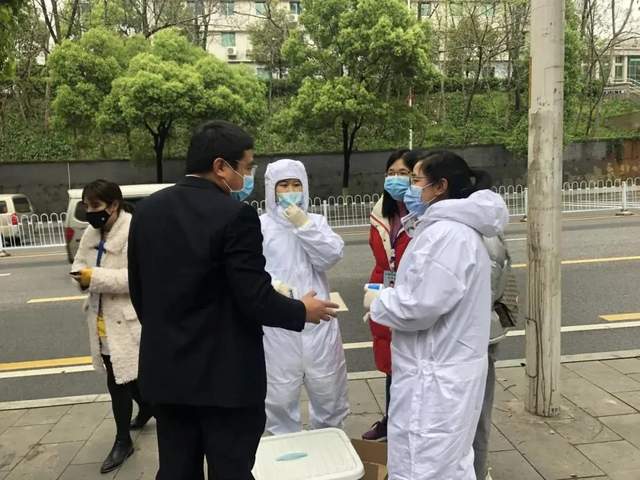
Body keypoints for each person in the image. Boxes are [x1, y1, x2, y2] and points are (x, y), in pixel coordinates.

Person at [127, 120, 339, 480]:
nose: (248, 175)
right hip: (224, 377)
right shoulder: (235, 215)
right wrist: (302, 310)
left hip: (167, 373)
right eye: (247, 166)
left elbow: (140, 291)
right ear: (221, 167)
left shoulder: (148, 210)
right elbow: (253, 296)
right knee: (231, 469)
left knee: (177, 468)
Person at [368, 150, 509, 479]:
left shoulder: (447, 234)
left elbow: (421, 306)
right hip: (440, 371)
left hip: (435, 379)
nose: (409, 187)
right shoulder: (446, 228)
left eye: (415, 180)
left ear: (440, 186)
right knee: (446, 463)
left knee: (426, 464)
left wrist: (380, 302)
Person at [260, 159, 349, 435]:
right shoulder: (260, 226)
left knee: (329, 392)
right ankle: (285, 449)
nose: (290, 191)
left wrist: (304, 225)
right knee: (279, 398)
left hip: (319, 323)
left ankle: (330, 446)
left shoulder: (316, 222)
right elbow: (249, 269)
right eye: (283, 185)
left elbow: (329, 257)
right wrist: (273, 286)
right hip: (278, 326)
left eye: (296, 184)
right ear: (271, 189)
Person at [71, 179, 152, 474]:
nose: (90, 212)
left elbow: (136, 277)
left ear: (114, 205)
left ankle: (122, 441)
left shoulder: (134, 230)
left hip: (127, 320)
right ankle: (147, 407)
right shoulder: (91, 233)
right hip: (100, 318)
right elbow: (77, 266)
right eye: (87, 206)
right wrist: (81, 277)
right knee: (123, 376)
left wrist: (93, 277)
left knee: (120, 380)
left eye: (96, 206)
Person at [362, 149, 414, 442]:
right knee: (390, 360)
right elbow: (382, 258)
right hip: (384, 289)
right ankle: (391, 419)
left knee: (411, 362)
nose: (396, 179)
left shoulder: (423, 213)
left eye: (403, 173)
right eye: (391, 173)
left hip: (412, 294)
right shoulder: (381, 211)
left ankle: (407, 423)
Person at [474, 235, 512, 480]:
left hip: (474, 339)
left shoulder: (478, 235)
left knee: (475, 415)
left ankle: (476, 471)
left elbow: (481, 294)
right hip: (474, 336)